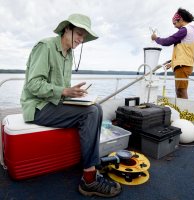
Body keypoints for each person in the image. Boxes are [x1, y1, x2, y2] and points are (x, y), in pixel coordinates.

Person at [20, 13, 121, 197]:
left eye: (84, 36)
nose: (81, 39)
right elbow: (33, 85)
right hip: (37, 107)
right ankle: (89, 179)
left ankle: (91, 164)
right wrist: (65, 92)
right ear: (67, 28)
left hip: (53, 103)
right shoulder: (45, 46)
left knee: (96, 107)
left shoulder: (69, 53)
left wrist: (75, 94)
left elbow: (61, 89)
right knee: (90, 113)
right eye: (79, 33)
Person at [151, 8, 194, 99]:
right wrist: (172, 63)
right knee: (180, 90)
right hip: (184, 64)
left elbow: (167, 41)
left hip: (183, 65)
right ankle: (183, 111)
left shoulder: (184, 30)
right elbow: (184, 51)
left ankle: (184, 112)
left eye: (175, 23)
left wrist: (156, 38)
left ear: (180, 20)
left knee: (181, 91)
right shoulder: (190, 31)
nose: (174, 26)